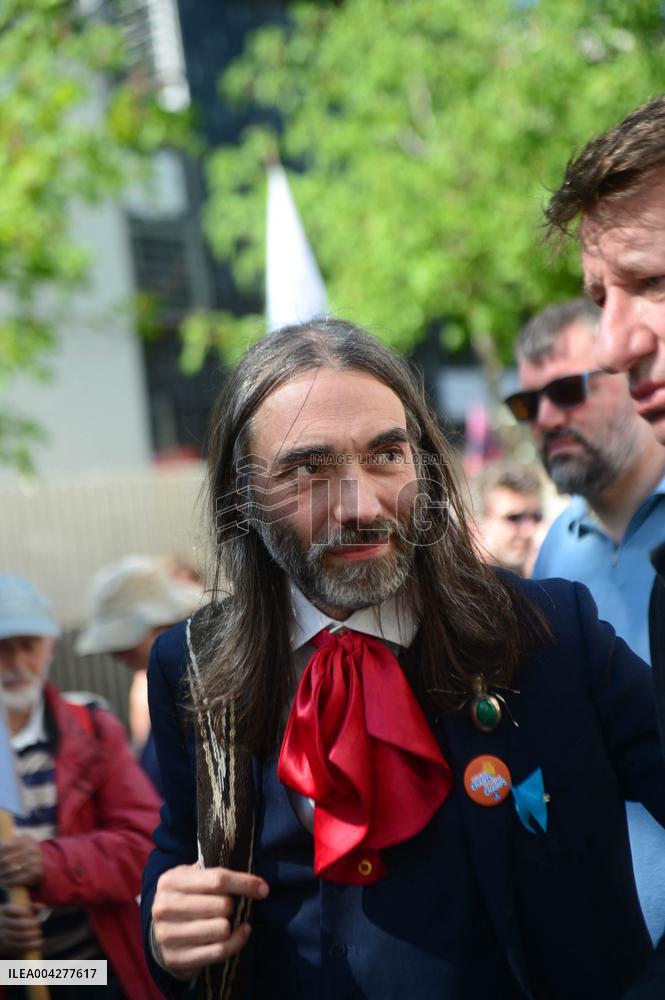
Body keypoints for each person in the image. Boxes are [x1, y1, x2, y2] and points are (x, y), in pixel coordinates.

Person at [142, 319, 665, 1000]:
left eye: (386, 455)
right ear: (242, 497)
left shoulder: (550, 634)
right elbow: (180, 849)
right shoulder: (188, 664)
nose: (359, 505)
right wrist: (166, 934)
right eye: (308, 470)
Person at [507, 297, 665, 943]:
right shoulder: (553, 551)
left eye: (568, 390)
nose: (545, 418)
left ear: (630, 377)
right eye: (526, 404)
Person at [0, 575, 162, 999]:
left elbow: (145, 844)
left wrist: (47, 864)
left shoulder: (92, 730)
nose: (16, 662)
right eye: (1, 648)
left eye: (28, 645)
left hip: (92, 973)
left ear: (50, 646)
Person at [75, 555, 202, 797]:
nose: (116, 653)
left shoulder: (203, 685)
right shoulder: (165, 683)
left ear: (160, 624)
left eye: (123, 642)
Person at [468, 460, 544, 576]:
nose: (529, 531)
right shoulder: (448, 590)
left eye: (536, 517)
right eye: (514, 518)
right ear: (474, 527)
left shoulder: (542, 585)